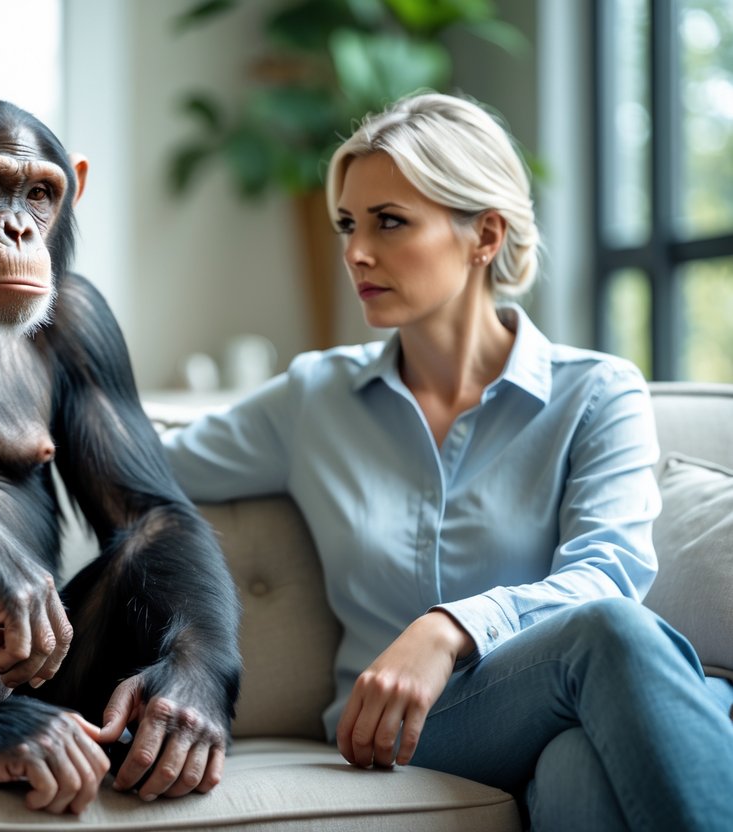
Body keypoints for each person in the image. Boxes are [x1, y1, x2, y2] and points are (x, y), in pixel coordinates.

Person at [161, 91, 733, 829]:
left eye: (389, 221)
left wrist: (450, 627)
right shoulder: (312, 398)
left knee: (573, 772)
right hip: (412, 729)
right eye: (347, 224)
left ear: (484, 235)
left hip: (568, 703)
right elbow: (143, 464)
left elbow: (609, 571)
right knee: (610, 635)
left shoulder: (595, 391)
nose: (355, 252)